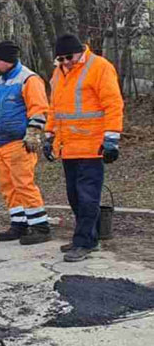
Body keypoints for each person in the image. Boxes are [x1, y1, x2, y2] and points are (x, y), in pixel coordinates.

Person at [43, 34, 124, 262]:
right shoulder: (59, 73)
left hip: (92, 146)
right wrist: (49, 136)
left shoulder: (99, 67)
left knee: (88, 197)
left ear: (80, 51)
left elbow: (113, 104)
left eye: (69, 57)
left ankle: (84, 242)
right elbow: (54, 108)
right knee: (74, 196)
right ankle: (89, 236)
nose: (65, 62)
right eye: (61, 59)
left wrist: (111, 140)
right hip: (68, 146)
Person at [0, 40, 52, 245]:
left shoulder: (29, 79)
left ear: (9, 61)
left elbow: (39, 109)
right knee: (8, 185)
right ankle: (19, 224)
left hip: (19, 143)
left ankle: (40, 227)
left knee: (24, 184)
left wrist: (33, 134)